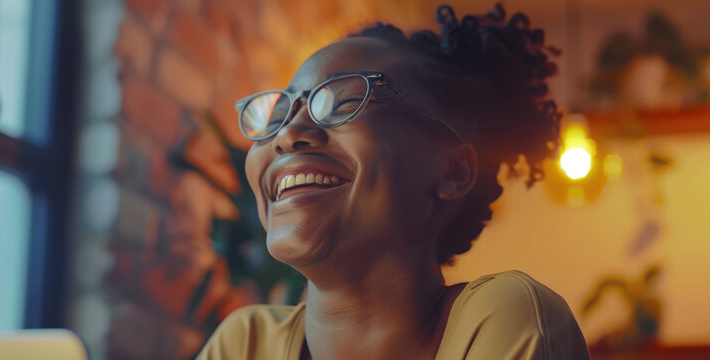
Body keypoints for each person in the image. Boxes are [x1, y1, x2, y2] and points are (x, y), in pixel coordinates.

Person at [198, 4, 591, 359]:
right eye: (278, 115)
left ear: (453, 172)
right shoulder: (245, 344)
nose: (288, 133)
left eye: (345, 100)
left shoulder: (503, 316)